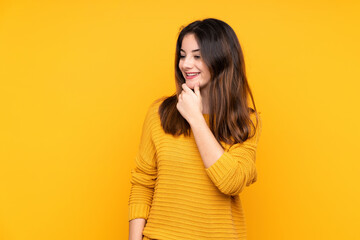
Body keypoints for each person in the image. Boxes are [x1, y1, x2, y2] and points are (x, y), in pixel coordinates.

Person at [128, 18, 262, 240]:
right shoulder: (159, 113)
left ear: (221, 60)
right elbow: (142, 183)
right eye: (183, 55)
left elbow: (232, 182)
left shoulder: (246, 122)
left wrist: (196, 120)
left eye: (197, 56)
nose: (185, 64)